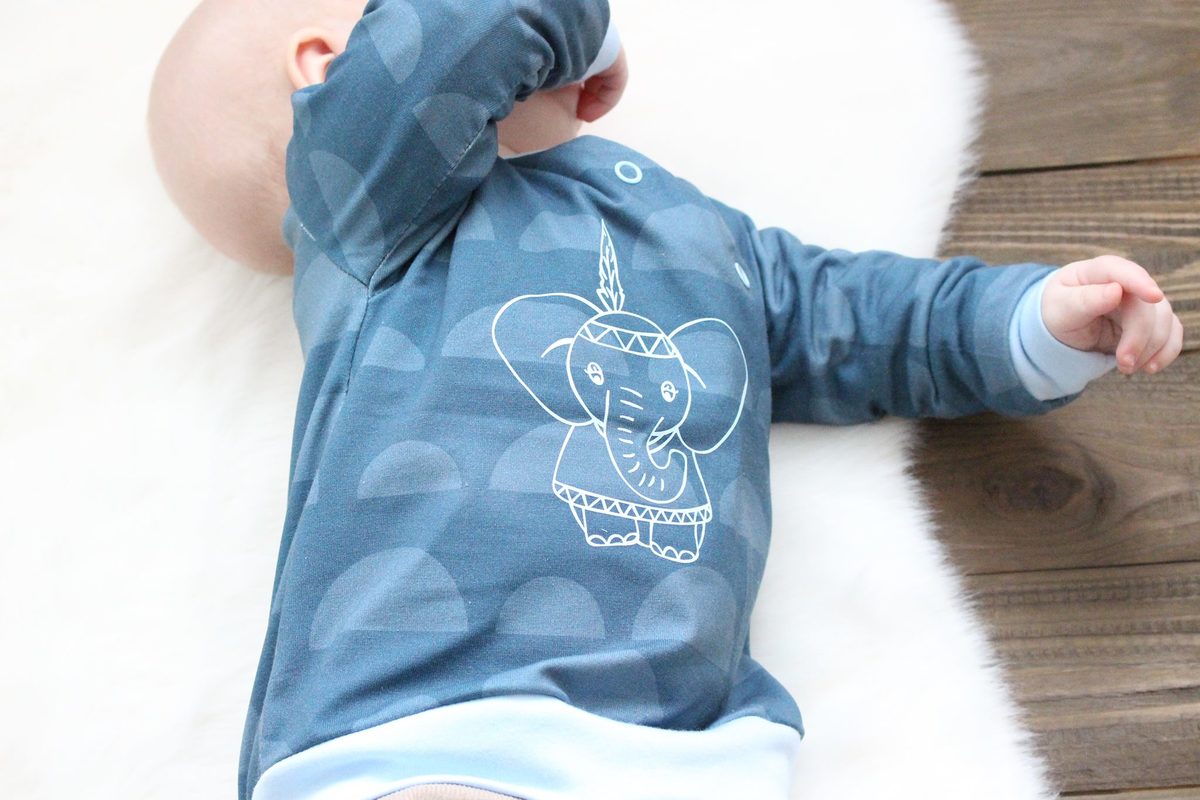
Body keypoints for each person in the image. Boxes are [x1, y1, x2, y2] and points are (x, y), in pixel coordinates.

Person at [147, 1, 1184, 798]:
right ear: (329, 76)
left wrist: (1031, 321)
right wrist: (577, 38)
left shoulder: (701, 235)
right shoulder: (375, 217)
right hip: (423, 722)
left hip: (688, 743)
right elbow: (477, 23)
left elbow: (857, 318)